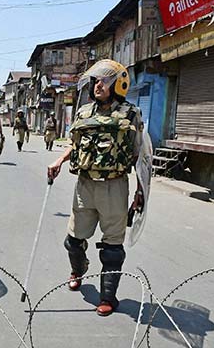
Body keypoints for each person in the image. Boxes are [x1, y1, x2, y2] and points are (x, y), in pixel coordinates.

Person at [47, 59, 144, 317]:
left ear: (119, 84)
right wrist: (58, 160)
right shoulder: (83, 113)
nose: (98, 85)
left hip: (114, 187)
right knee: (73, 241)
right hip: (85, 185)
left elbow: (141, 155)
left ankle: (108, 298)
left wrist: (140, 191)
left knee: (112, 248)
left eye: (104, 80)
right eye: (95, 81)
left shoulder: (131, 113)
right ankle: (78, 269)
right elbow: (75, 145)